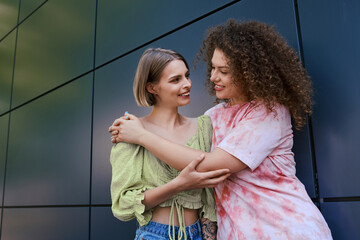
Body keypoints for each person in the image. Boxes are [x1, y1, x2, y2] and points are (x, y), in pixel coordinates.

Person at [109, 20, 333, 239]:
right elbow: (125, 203)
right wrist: (136, 130)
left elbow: (208, 166)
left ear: (249, 72)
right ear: (152, 87)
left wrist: (141, 136)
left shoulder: (269, 112)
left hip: (283, 229)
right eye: (213, 68)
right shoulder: (212, 117)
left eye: (223, 71)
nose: (212, 77)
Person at [109, 48, 230, 240]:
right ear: (152, 87)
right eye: (176, 80)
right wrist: (178, 185)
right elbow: (122, 206)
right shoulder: (129, 131)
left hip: (197, 233)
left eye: (187, 76)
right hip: (154, 235)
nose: (187, 84)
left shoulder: (204, 126)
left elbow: (209, 198)